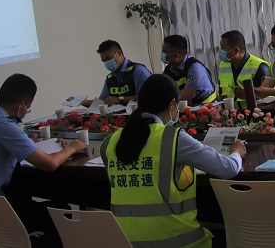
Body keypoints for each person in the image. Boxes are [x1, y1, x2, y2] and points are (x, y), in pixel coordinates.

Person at [101, 74, 245, 246]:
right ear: (172, 105)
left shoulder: (109, 142)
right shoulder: (172, 138)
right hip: (177, 241)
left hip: (127, 242)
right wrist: (236, 152)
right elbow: (228, 169)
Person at [0, 74, 87, 246]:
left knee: (23, 199)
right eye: (28, 108)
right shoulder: (4, 125)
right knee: (61, 210)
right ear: (20, 105)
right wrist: (72, 148)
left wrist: (29, 145)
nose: (26, 111)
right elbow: (50, 164)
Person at [90, 39, 152, 106]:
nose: (106, 63)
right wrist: (82, 101)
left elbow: (148, 96)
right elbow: (101, 101)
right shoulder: (110, 78)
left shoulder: (138, 71)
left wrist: (120, 99)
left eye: (108, 59)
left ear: (119, 53)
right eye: (104, 61)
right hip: (118, 112)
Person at [162, 34, 217, 105]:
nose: (162, 55)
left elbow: (185, 98)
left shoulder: (195, 68)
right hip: (189, 108)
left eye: (164, 52)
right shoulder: (169, 69)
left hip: (208, 108)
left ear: (176, 55)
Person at [216, 30, 269, 103]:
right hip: (230, 109)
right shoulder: (223, 65)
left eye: (224, 49)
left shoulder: (260, 67)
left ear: (236, 51)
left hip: (255, 109)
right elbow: (222, 94)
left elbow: (264, 98)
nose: (221, 52)